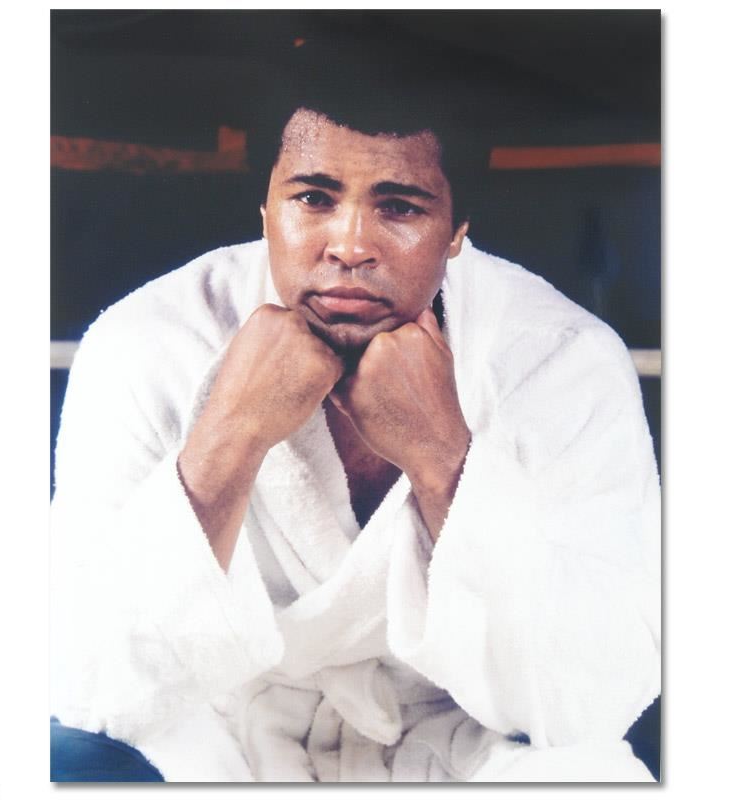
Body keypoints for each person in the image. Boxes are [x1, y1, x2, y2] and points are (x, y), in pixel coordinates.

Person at [50, 43, 660, 782]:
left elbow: (599, 694)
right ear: (265, 209)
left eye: (398, 207)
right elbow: (86, 680)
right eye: (313, 199)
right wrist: (231, 433)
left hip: (465, 743)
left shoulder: (562, 361)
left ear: (458, 229)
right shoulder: (147, 342)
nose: (349, 245)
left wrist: (444, 457)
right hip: (220, 737)